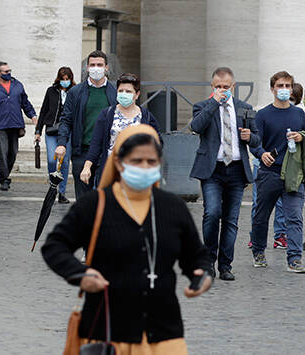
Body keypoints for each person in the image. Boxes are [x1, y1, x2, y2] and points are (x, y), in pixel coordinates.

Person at [42, 125, 211, 352]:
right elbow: (55, 246)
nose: (144, 167)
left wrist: (201, 274)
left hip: (164, 332)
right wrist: (79, 274)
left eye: (151, 162)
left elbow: (196, 257)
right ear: (119, 164)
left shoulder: (174, 208)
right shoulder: (95, 204)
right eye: (136, 161)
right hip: (108, 332)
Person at [189, 67, 259, 281]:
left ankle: (225, 265)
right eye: (218, 87)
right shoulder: (202, 106)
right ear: (212, 87)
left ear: (233, 87)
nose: (222, 90)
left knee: (231, 219)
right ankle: (208, 260)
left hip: (236, 169)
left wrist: (250, 137)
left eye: (226, 87)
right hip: (213, 169)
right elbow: (196, 127)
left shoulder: (244, 108)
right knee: (212, 213)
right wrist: (214, 103)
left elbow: (257, 140)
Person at [250, 71, 305, 272]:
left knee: (294, 216)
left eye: (287, 86)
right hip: (269, 173)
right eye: (280, 86)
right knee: (261, 215)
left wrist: (301, 136)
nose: (284, 90)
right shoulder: (263, 115)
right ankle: (258, 251)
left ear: (292, 88)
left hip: (293, 174)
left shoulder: (299, 114)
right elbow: (255, 142)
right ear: (272, 88)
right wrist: (261, 153)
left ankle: (294, 258)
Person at [55, 50, 117, 200]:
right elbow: (66, 119)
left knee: (107, 196)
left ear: (106, 68)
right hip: (82, 151)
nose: (96, 68)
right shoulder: (75, 92)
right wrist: (62, 143)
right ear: (87, 68)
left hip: (108, 151)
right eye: (93, 65)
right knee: (84, 198)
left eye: (100, 65)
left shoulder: (116, 92)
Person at [81, 73, 161, 184]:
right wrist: (87, 167)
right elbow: (96, 144)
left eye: (128, 92)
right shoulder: (107, 114)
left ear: (137, 95)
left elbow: (158, 142)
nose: (124, 94)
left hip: (137, 173)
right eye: (121, 91)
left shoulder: (146, 116)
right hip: (111, 171)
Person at [0, 61, 37, 191]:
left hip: (15, 123)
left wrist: (32, 115)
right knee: (2, 152)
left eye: (9, 71)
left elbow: (25, 102)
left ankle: (2, 175)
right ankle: (4, 179)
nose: (9, 73)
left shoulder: (17, 85)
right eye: (6, 71)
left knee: (13, 152)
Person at [35, 66, 75, 203]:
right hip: (51, 130)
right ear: (59, 79)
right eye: (63, 79)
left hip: (68, 131)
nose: (65, 81)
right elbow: (44, 110)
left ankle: (61, 192)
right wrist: (38, 131)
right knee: (52, 160)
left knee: (64, 162)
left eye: (67, 79)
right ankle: (53, 187)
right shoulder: (51, 91)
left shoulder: (75, 91)